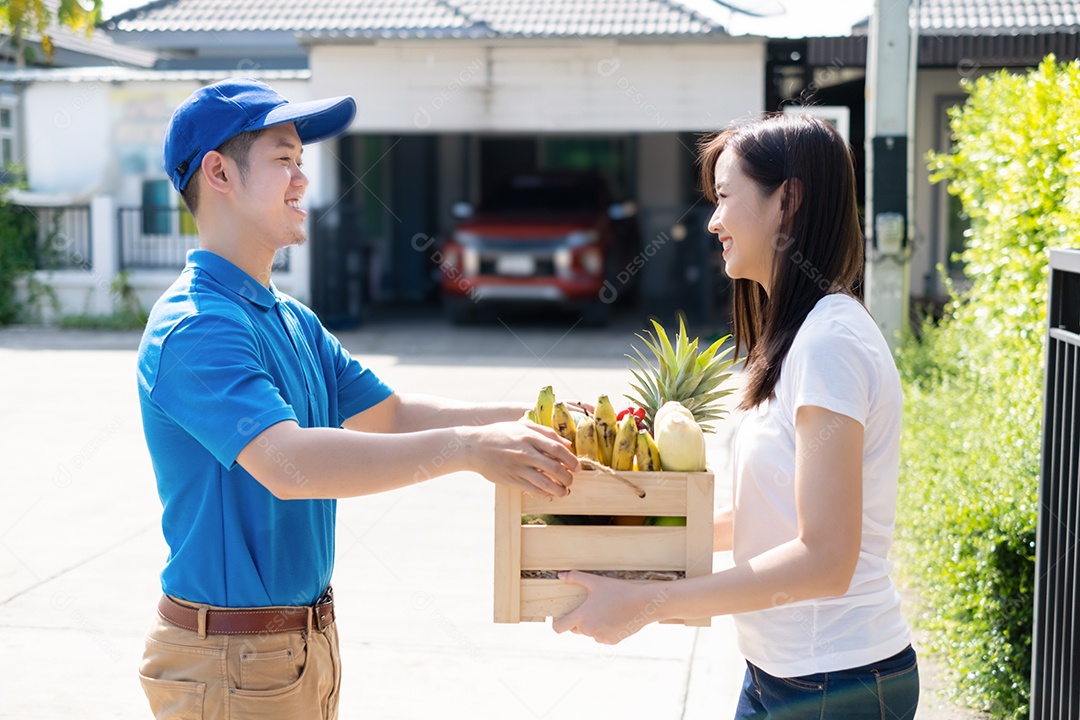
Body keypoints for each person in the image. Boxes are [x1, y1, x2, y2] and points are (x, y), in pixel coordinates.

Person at [136, 77, 580, 720]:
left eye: (300, 162)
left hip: (294, 647)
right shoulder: (197, 326)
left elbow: (391, 415)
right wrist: (467, 449)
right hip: (228, 661)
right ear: (218, 173)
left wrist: (532, 419)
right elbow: (289, 465)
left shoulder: (288, 319)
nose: (301, 181)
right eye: (283, 159)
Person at [553, 114, 919, 719]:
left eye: (725, 197)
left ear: (789, 200)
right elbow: (764, 516)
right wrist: (632, 546)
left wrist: (648, 604)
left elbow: (826, 559)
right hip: (788, 674)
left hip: (836, 682)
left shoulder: (830, 341)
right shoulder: (802, 336)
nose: (714, 221)